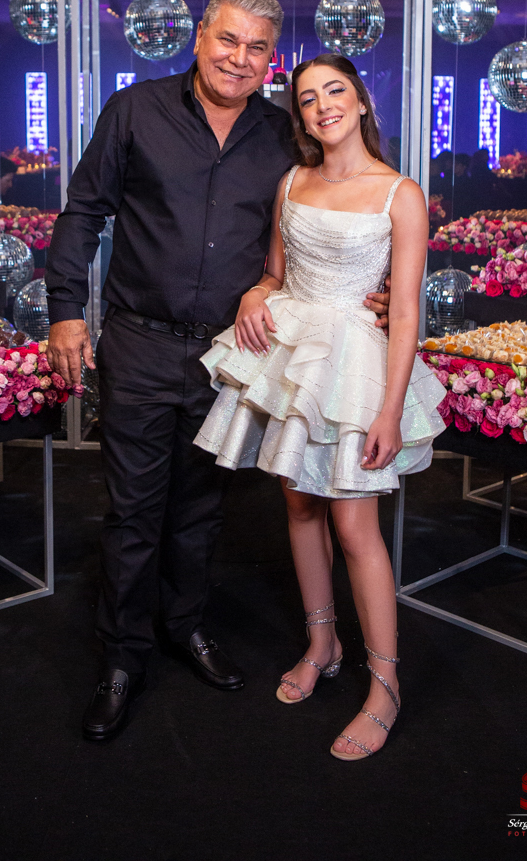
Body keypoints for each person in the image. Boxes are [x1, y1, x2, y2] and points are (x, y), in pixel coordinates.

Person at [44, 0, 391, 742]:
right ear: (200, 36)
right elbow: (84, 212)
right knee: (135, 513)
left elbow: (333, 209)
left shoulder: (283, 136)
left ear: (272, 61)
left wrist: (380, 288)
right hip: (139, 343)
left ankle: (185, 626)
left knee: (201, 510)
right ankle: (121, 659)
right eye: (228, 39)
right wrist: (66, 310)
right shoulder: (134, 111)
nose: (239, 58)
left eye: (256, 48)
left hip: (231, 355)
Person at [194, 54, 445, 761]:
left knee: (355, 524)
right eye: (307, 99)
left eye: (335, 91)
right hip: (296, 357)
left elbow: (404, 311)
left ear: (360, 102)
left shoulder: (400, 193)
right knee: (299, 505)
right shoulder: (292, 181)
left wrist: (389, 411)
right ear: (300, 117)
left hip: (357, 368)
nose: (323, 106)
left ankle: (385, 686)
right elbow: (275, 274)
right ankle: (322, 643)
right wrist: (254, 294)